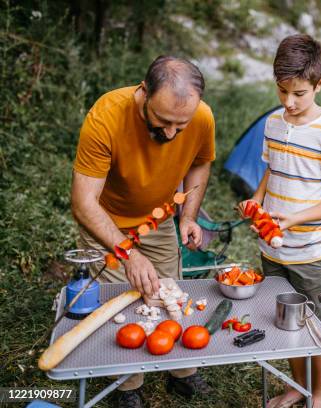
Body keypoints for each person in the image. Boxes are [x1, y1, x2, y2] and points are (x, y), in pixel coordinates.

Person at [71, 56, 215, 407]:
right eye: (163, 121)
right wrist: (128, 253)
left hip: (160, 219)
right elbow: (84, 203)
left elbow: (200, 163)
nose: (170, 133)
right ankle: (127, 384)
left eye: (179, 126)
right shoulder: (106, 115)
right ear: (144, 91)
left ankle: (182, 370)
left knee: (170, 296)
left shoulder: (201, 117)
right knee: (119, 301)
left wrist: (188, 217)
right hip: (106, 222)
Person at [238, 34, 321, 408]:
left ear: (319, 85)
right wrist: (256, 201)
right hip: (273, 246)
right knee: (285, 320)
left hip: (311, 251)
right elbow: (272, 169)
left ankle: (318, 392)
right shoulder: (274, 122)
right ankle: (294, 386)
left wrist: (296, 219)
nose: (289, 102)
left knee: (313, 324)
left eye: (299, 93)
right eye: (282, 90)